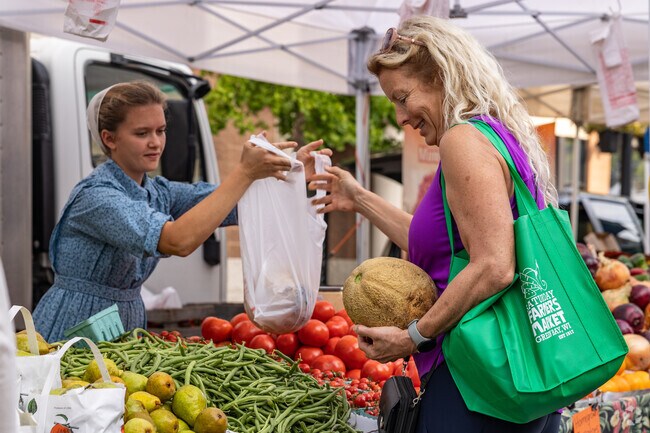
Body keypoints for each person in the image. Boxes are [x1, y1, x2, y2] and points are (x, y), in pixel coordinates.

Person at [309, 16, 560, 433]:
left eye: (404, 97)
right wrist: (360, 200)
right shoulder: (494, 135)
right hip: (512, 372)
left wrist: (413, 337)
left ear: (442, 76)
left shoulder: (461, 140)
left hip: (476, 381)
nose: (402, 117)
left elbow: (495, 265)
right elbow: (444, 245)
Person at [34, 80, 330, 342]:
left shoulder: (157, 191)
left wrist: (288, 175)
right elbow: (177, 241)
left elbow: (230, 202)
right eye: (142, 133)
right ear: (109, 138)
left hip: (123, 324)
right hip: (75, 326)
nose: (156, 142)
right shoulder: (97, 197)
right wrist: (244, 171)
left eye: (161, 131)